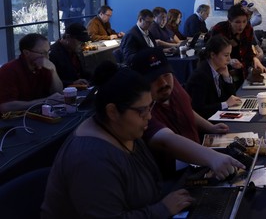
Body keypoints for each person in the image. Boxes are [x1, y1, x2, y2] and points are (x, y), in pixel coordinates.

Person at [41, 68, 194, 218]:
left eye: (150, 107)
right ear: (112, 112)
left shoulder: (123, 130)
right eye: (142, 111)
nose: (149, 116)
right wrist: (162, 209)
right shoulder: (91, 159)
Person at [131, 48, 244, 180]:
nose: (164, 83)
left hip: (200, 163)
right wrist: (211, 157)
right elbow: (166, 140)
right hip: (175, 178)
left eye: (166, 75)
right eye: (154, 79)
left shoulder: (172, 84)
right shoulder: (142, 111)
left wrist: (209, 127)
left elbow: (186, 109)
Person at [206, 3, 266, 87]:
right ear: (229, 21)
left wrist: (255, 59)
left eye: (244, 21)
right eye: (237, 22)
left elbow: (248, 50)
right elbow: (212, 53)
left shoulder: (248, 29)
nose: (241, 26)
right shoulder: (219, 29)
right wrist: (229, 61)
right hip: (223, 71)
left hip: (242, 71)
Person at [0, 33, 63, 113]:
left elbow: (58, 93)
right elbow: (5, 107)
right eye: (43, 53)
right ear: (26, 53)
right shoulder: (8, 70)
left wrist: (53, 71)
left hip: (42, 115)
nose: (47, 57)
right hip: (16, 121)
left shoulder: (44, 66)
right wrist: (44, 101)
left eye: (48, 52)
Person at [186, 35, 241, 119]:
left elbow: (232, 98)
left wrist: (226, 77)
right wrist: (225, 104)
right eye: (226, 55)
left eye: (229, 55)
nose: (229, 59)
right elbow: (198, 110)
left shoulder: (219, 69)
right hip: (207, 124)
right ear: (212, 55)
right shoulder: (200, 76)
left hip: (217, 118)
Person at [49, 23, 92, 87]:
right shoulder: (53, 54)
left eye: (84, 42)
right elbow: (51, 81)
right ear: (68, 37)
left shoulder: (76, 50)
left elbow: (82, 72)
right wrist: (72, 83)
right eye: (80, 41)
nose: (83, 45)